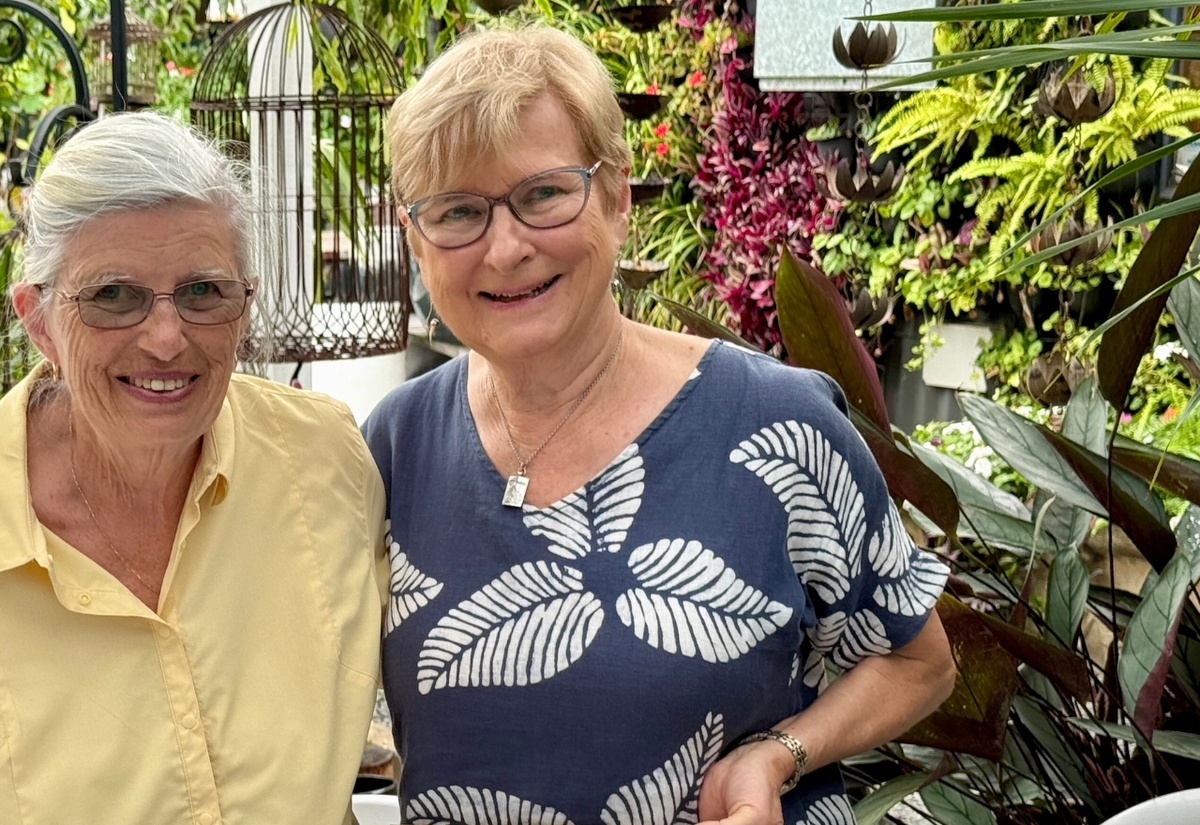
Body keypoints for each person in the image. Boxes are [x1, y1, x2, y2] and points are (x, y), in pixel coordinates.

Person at [363, 25, 956, 825]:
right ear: (415, 240)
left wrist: (779, 755)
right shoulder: (397, 445)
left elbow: (920, 662)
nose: (505, 247)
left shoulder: (777, 428)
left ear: (616, 197)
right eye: (459, 211)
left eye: (543, 194)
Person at [1, 112, 385, 825]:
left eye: (204, 291)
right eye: (114, 295)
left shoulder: (325, 460)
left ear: (247, 304)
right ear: (39, 319)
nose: (167, 337)